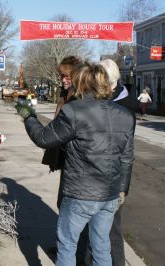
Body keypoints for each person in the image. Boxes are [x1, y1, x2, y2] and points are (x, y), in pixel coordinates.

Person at [20, 62, 135, 265]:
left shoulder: (74, 111)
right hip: (109, 195)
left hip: (80, 194)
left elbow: (43, 138)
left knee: (67, 246)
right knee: (101, 248)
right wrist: (122, 190)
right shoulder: (125, 115)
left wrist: (29, 117)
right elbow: (126, 157)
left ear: (82, 85)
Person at [75, 59, 140, 266]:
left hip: (110, 179)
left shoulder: (122, 107)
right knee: (93, 231)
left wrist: (122, 188)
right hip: (98, 177)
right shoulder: (110, 102)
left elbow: (125, 153)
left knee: (110, 232)